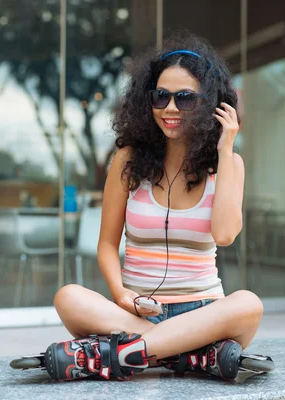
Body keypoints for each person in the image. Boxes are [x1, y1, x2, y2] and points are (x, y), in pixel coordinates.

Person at [44, 32, 264, 381]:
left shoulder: (228, 164)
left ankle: (121, 354)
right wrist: (121, 294)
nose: (171, 108)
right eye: (161, 97)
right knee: (68, 297)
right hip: (135, 313)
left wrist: (225, 149)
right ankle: (189, 357)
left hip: (203, 314)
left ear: (210, 104)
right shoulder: (128, 160)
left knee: (249, 305)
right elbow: (106, 245)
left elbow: (224, 235)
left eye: (185, 99)